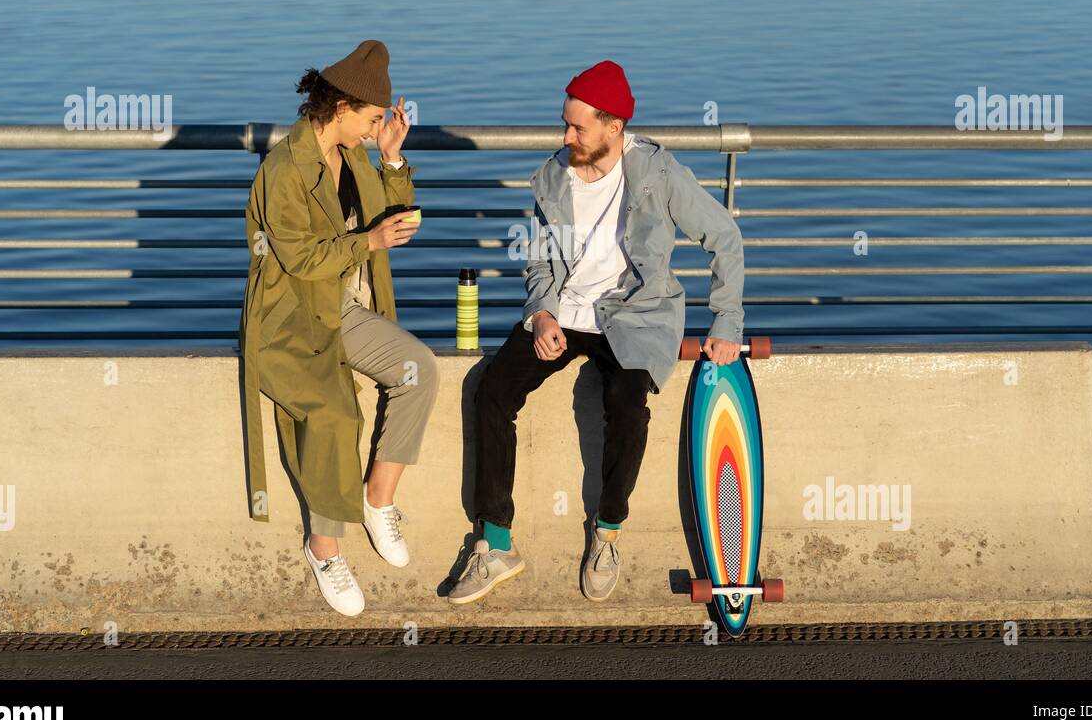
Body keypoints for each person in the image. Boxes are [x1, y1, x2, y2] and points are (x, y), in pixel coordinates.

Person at [449, 59, 745, 605]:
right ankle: (495, 544)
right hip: (563, 313)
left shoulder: (658, 174)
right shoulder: (553, 178)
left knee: (628, 408)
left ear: (614, 128)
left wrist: (725, 322)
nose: (566, 137)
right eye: (564, 124)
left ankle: (607, 533)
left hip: (632, 316)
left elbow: (724, 237)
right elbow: (541, 262)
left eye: (577, 128)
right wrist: (541, 314)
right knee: (492, 392)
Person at [239, 39, 438, 617]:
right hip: (292, 317)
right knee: (334, 410)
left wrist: (393, 162)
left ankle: (378, 501)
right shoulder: (284, 167)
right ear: (344, 105)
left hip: (347, 309)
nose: (378, 128)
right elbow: (299, 259)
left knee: (417, 369)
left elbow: (388, 224)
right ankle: (323, 548)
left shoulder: (354, 158)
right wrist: (368, 242)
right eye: (375, 119)